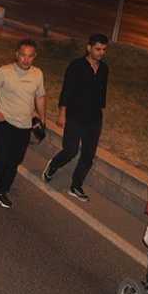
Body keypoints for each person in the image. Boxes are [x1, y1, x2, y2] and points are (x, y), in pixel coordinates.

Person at [0, 39, 46, 209]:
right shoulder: (5, 71)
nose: (26, 59)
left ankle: (2, 191)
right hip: (5, 122)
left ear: (34, 57)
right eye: (23, 55)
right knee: (2, 158)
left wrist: (42, 120)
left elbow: (40, 96)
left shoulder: (37, 74)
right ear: (17, 54)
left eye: (30, 56)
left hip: (24, 125)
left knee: (14, 161)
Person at [43, 34, 109, 201]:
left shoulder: (104, 69)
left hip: (94, 119)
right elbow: (67, 90)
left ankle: (76, 186)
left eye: (104, 49)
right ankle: (53, 165)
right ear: (89, 48)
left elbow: (102, 93)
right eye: (97, 49)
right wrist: (62, 113)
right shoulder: (76, 66)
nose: (101, 52)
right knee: (70, 150)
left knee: (88, 155)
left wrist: (102, 115)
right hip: (75, 116)